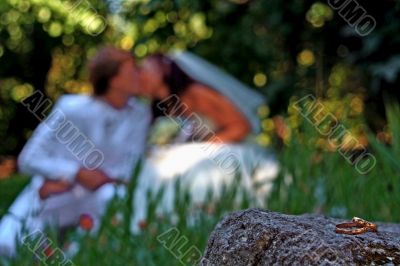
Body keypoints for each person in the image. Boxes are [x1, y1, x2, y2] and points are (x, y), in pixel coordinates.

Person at [0, 47, 151, 257]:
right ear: (113, 79)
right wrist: (74, 173)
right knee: (12, 247)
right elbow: (29, 158)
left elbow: (130, 166)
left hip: (103, 196)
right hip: (57, 193)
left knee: (110, 204)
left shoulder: (139, 114)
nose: (140, 74)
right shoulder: (72, 108)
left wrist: (105, 180)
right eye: (133, 69)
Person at [130, 51, 279, 232]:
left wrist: (203, 147)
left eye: (144, 70)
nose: (140, 76)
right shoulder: (158, 107)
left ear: (163, 71)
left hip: (221, 154)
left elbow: (241, 126)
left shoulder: (197, 94)